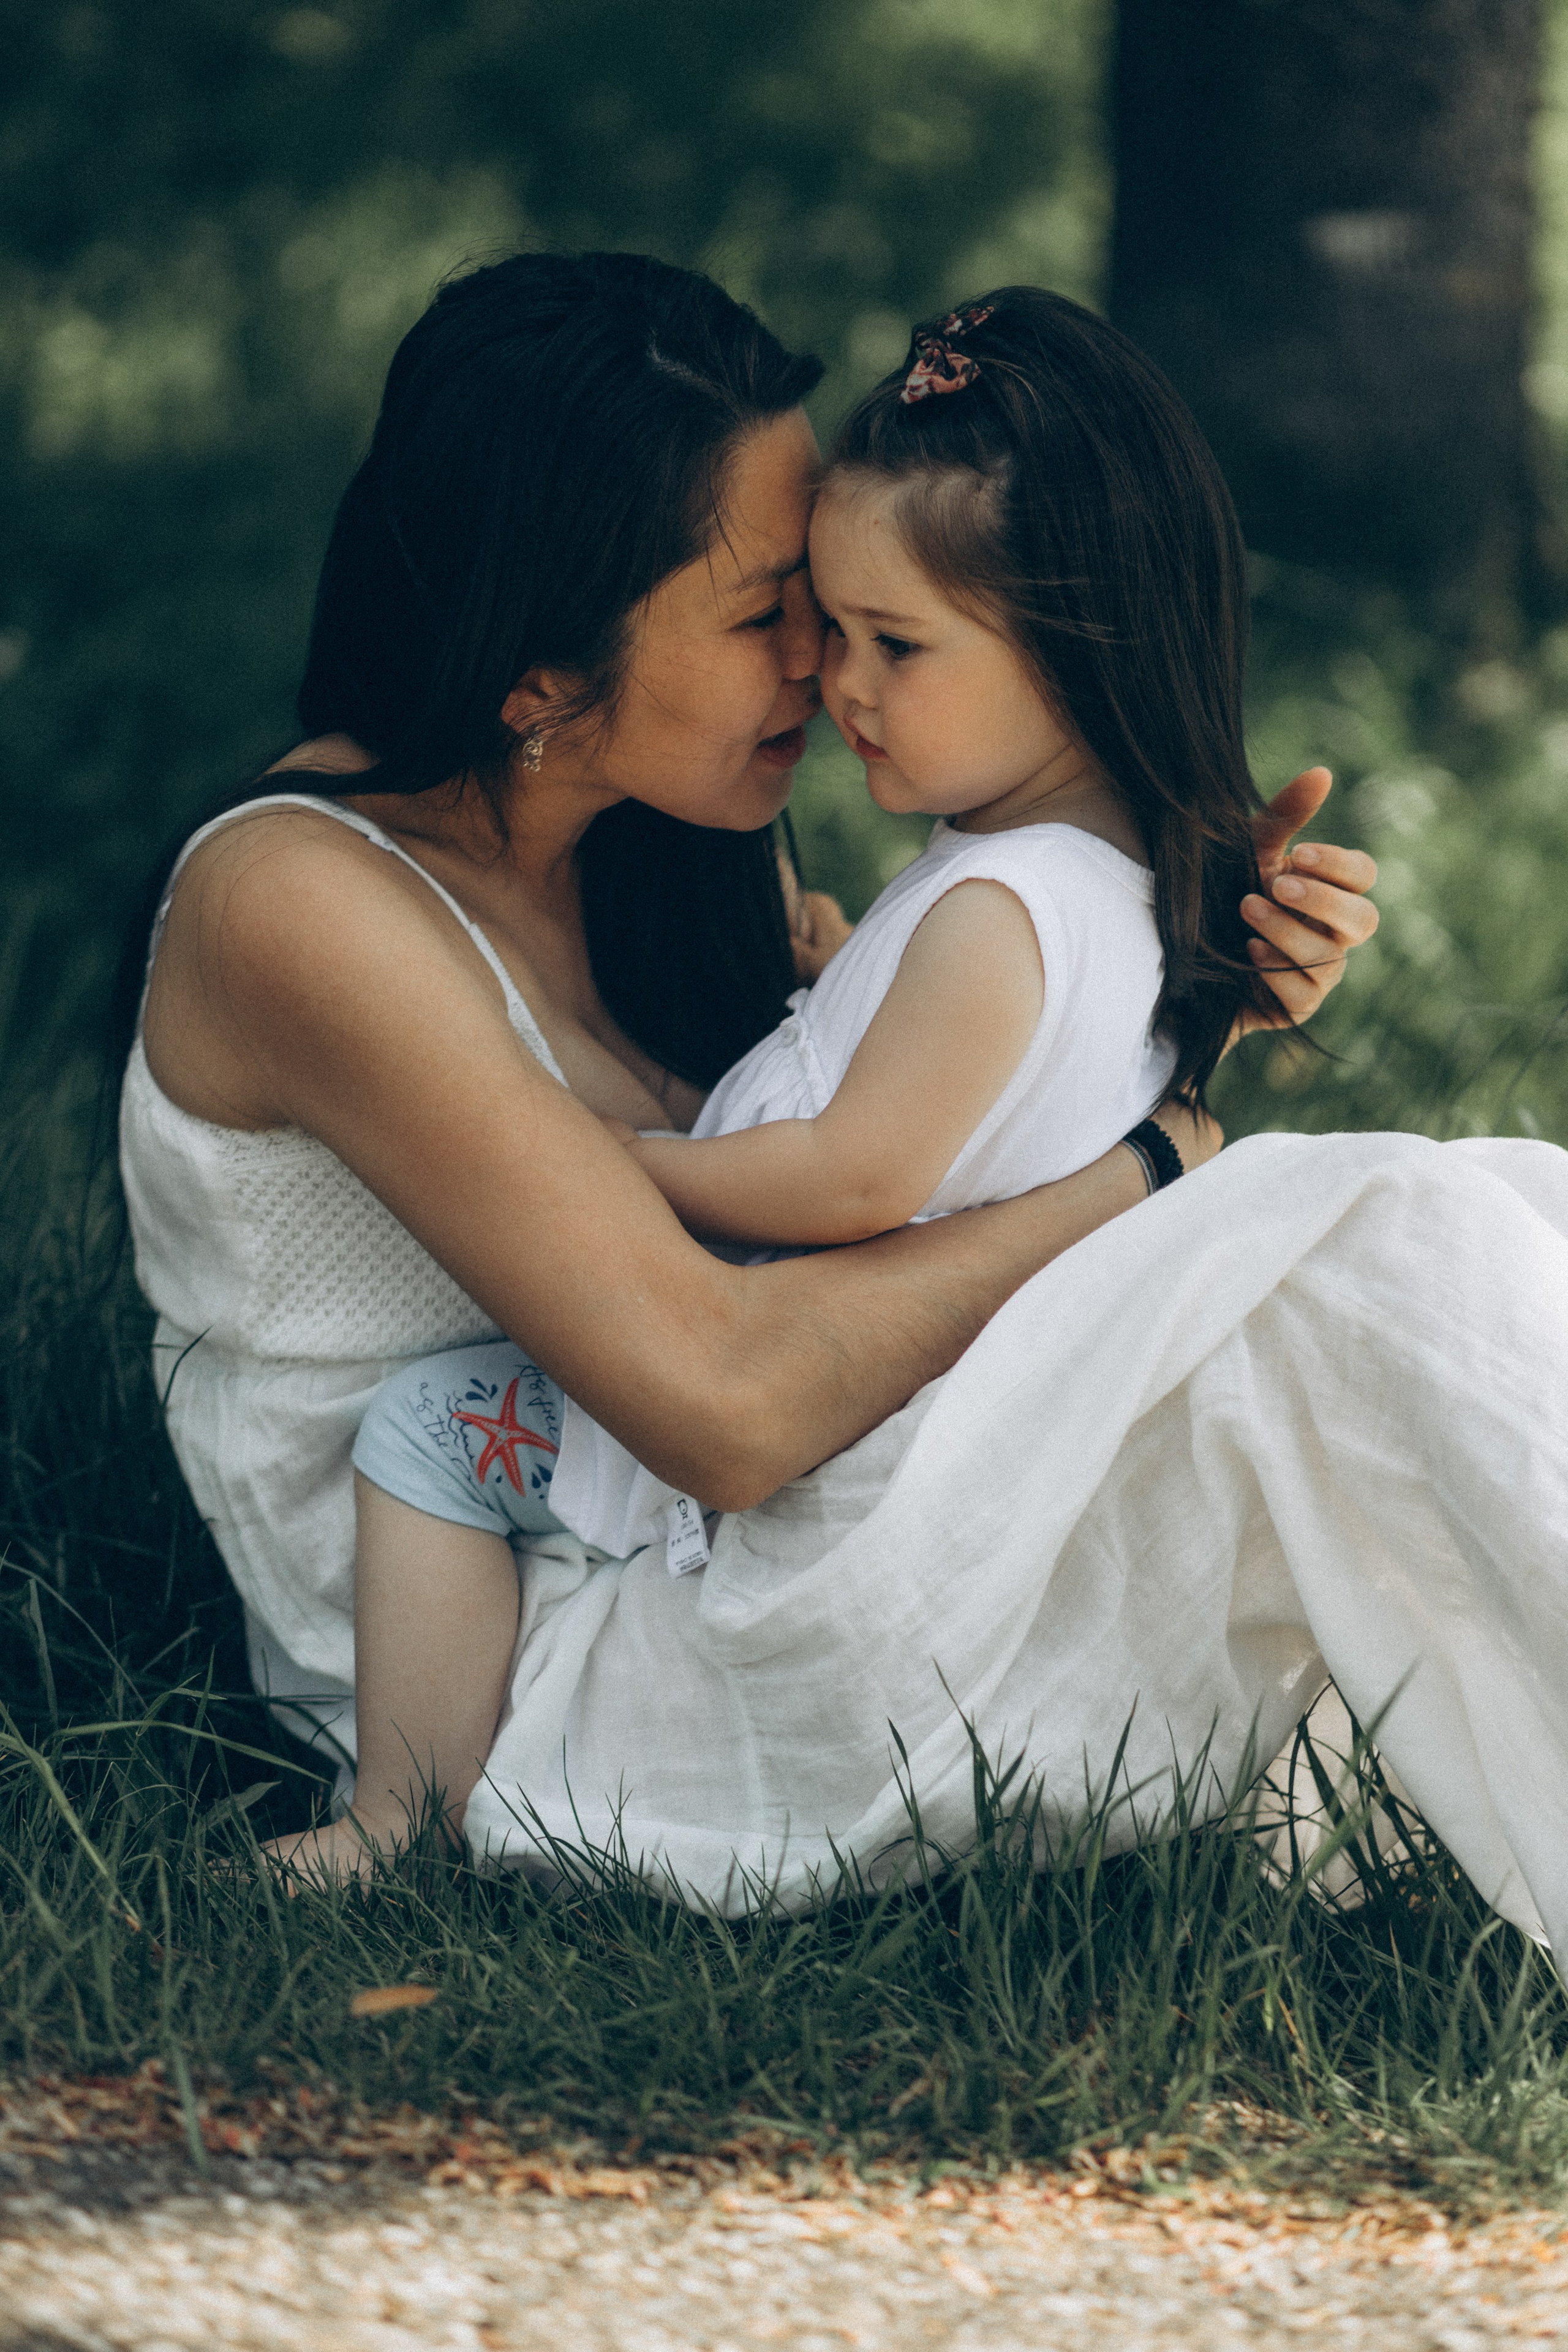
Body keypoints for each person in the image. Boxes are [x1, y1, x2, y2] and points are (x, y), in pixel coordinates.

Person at [119, 253, 1385, 1909]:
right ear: (540, 680)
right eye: (763, 609)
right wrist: (1146, 1170)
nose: (823, 663)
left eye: (831, 597)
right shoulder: (297, 905)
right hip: (493, 1648)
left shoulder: (667, 834)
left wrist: (1170, 1004)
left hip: (692, 1535)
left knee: (1332, 1349)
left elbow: (867, 1198)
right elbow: (731, 1407)